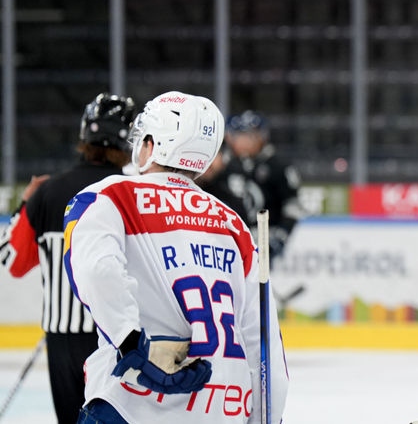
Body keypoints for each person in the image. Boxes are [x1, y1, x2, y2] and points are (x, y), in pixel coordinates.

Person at [64, 91, 289, 423]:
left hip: (130, 404)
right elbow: (264, 342)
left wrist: (131, 344)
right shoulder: (233, 224)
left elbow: (98, 270)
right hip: (222, 407)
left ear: (153, 145)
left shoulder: (111, 196)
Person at [0, 92, 135, 424]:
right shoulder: (132, 193)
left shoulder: (47, 192)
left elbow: (11, 259)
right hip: (115, 335)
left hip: (61, 341)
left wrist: (25, 204)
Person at [223, 110, 304, 259]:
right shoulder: (224, 165)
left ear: (262, 137)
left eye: (250, 136)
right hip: (230, 240)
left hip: (264, 239)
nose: (244, 141)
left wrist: (281, 236)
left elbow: (292, 204)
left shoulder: (278, 166)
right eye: (239, 135)